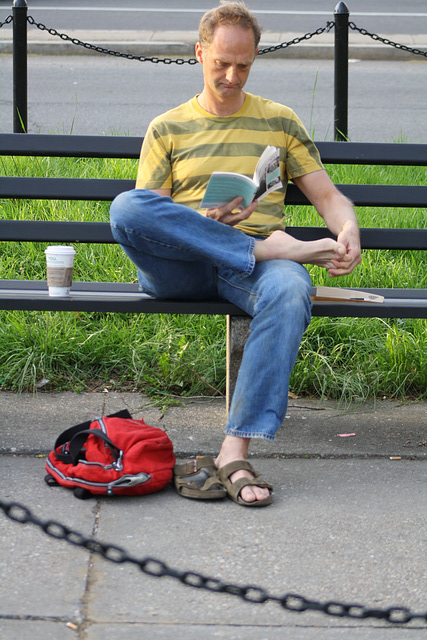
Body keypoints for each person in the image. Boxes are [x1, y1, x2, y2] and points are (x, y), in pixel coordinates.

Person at [110, 1, 361, 507]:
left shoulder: (280, 121)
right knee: (125, 207)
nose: (231, 75)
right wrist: (207, 227)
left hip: (254, 272)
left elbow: (328, 197)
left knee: (292, 286)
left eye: (243, 65)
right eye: (220, 62)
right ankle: (263, 247)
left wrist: (348, 227)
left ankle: (233, 451)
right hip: (181, 268)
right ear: (199, 53)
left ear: (254, 58)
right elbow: (148, 221)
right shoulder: (168, 128)